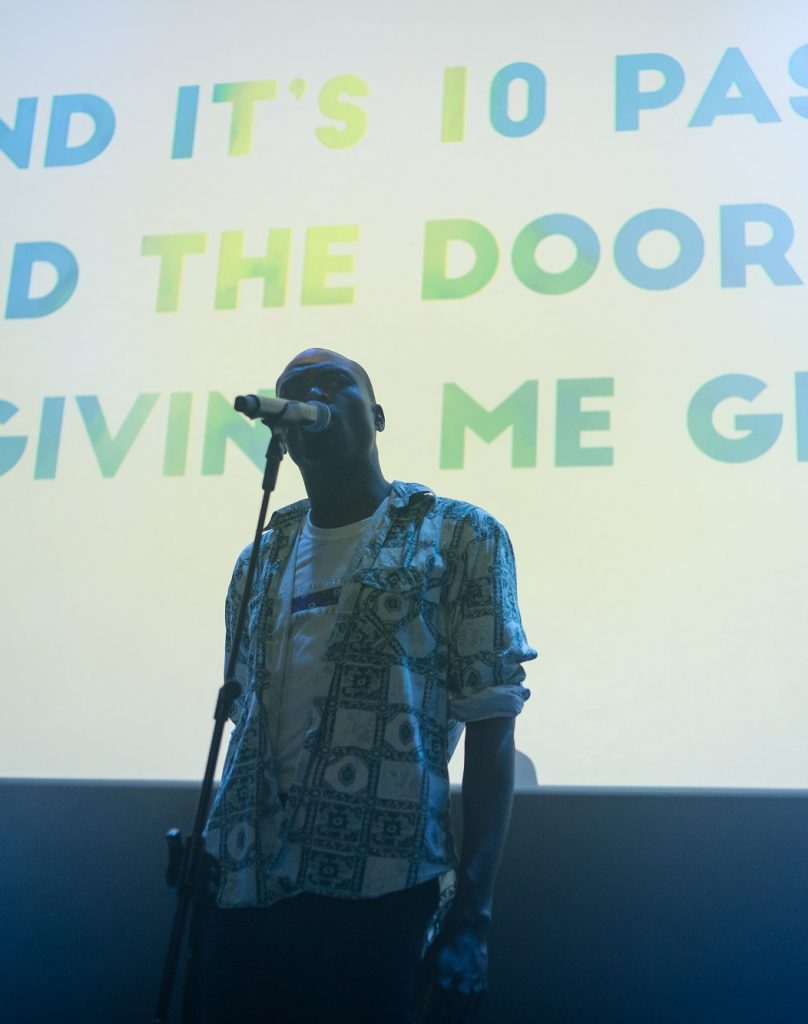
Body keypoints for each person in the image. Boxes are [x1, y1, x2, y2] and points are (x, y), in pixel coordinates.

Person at [194, 348, 535, 1024]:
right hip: (246, 880)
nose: (312, 395)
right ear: (282, 435)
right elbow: (246, 719)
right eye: (295, 391)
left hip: (383, 882)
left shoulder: (460, 535)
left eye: (334, 384)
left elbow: (493, 726)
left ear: (376, 414)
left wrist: (473, 913)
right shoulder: (258, 557)